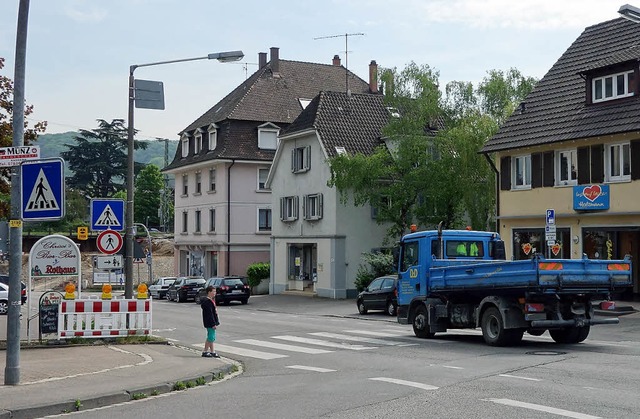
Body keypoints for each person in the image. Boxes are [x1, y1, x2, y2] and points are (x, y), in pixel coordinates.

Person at [200, 285, 220, 358]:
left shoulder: (211, 301)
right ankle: (205, 351)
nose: (215, 293)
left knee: (211, 337)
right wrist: (213, 324)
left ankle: (212, 351)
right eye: (213, 291)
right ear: (209, 292)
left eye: (215, 291)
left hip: (211, 322)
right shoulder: (207, 302)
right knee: (211, 337)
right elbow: (210, 314)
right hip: (210, 323)